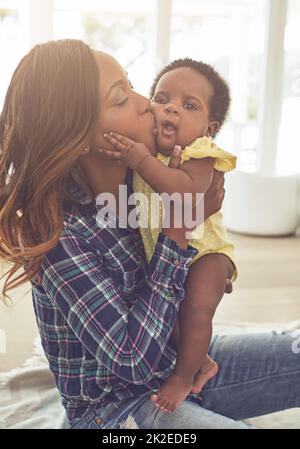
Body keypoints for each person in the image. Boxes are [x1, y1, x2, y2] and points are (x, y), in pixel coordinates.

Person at [0, 40, 299, 430]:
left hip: (177, 368)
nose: (146, 102)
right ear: (79, 137)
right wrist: (180, 228)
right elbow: (131, 361)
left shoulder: (146, 179)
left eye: (132, 84)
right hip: (114, 412)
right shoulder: (60, 234)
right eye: (121, 98)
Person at [102, 58, 238, 413]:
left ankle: (182, 376)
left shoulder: (199, 154)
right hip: (171, 250)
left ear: (209, 128)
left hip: (206, 253)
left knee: (194, 310)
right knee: (168, 316)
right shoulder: (152, 152)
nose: (171, 109)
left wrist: (139, 160)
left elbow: (187, 195)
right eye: (163, 99)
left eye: (188, 105)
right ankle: (201, 361)